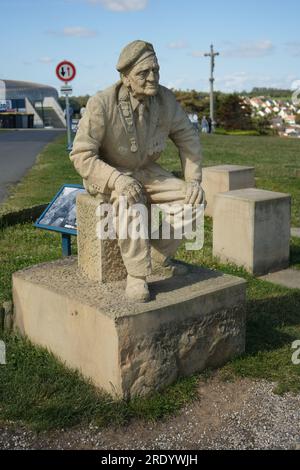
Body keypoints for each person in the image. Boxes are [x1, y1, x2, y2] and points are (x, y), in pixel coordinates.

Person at [70, 40, 205, 302]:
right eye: (144, 73)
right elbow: (81, 154)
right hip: (110, 173)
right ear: (126, 77)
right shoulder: (101, 104)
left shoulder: (165, 100)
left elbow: (188, 138)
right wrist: (116, 180)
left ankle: (158, 253)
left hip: (147, 170)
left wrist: (194, 180)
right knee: (129, 200)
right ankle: (137, 275)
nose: (152, 77)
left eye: (155, 70)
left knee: (193, 199)